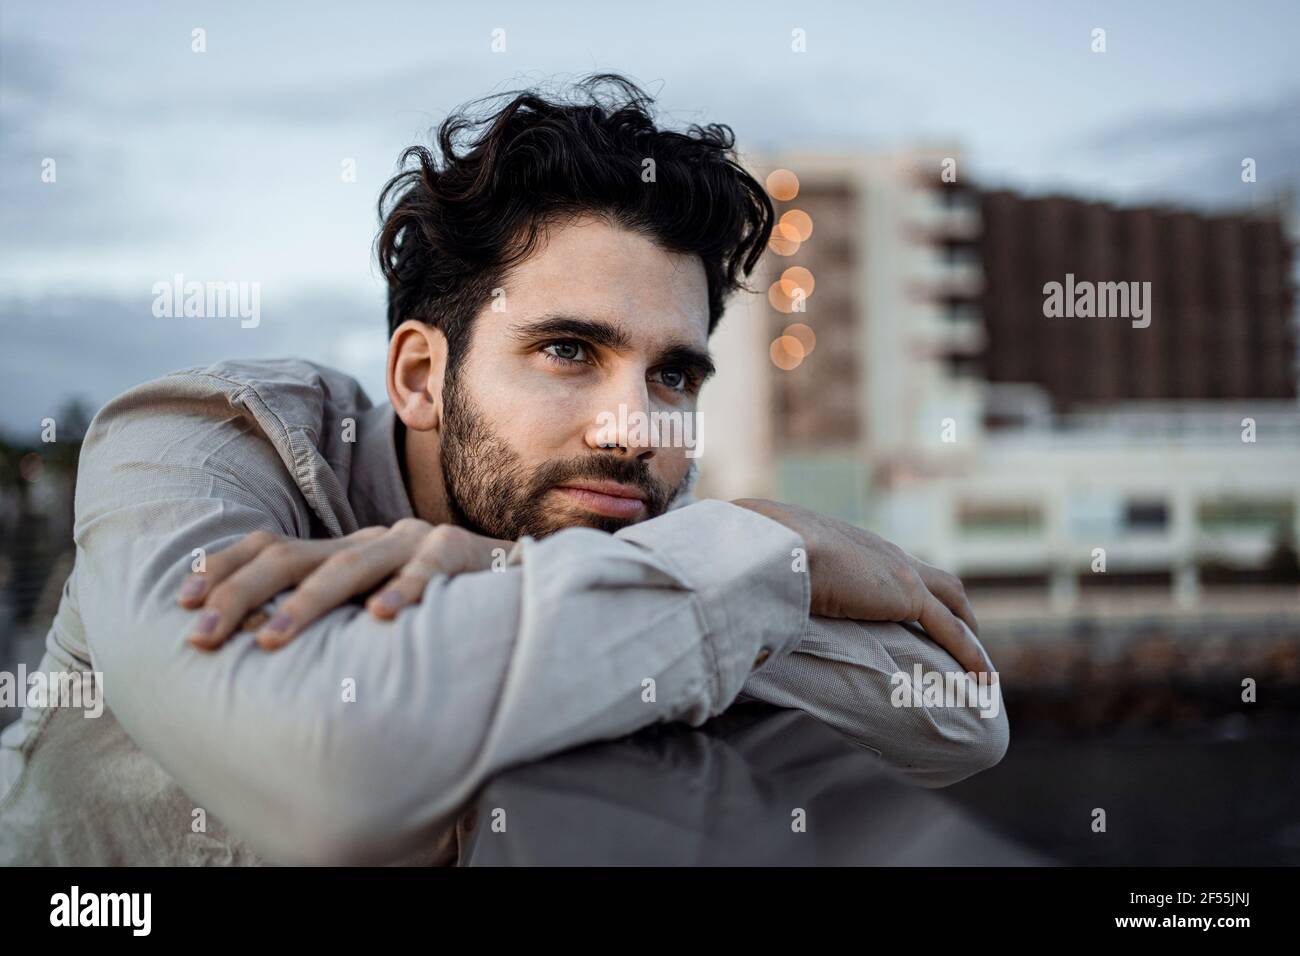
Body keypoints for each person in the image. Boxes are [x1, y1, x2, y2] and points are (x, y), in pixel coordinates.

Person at [0, 74, 1005, 866]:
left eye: (672, 373)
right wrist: (768, 548)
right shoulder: (201, 442)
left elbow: (958, 714)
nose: (635, 426)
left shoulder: (627, 516)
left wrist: (488, 571)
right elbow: (327, 779)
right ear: (420, 375)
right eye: (568, 349)